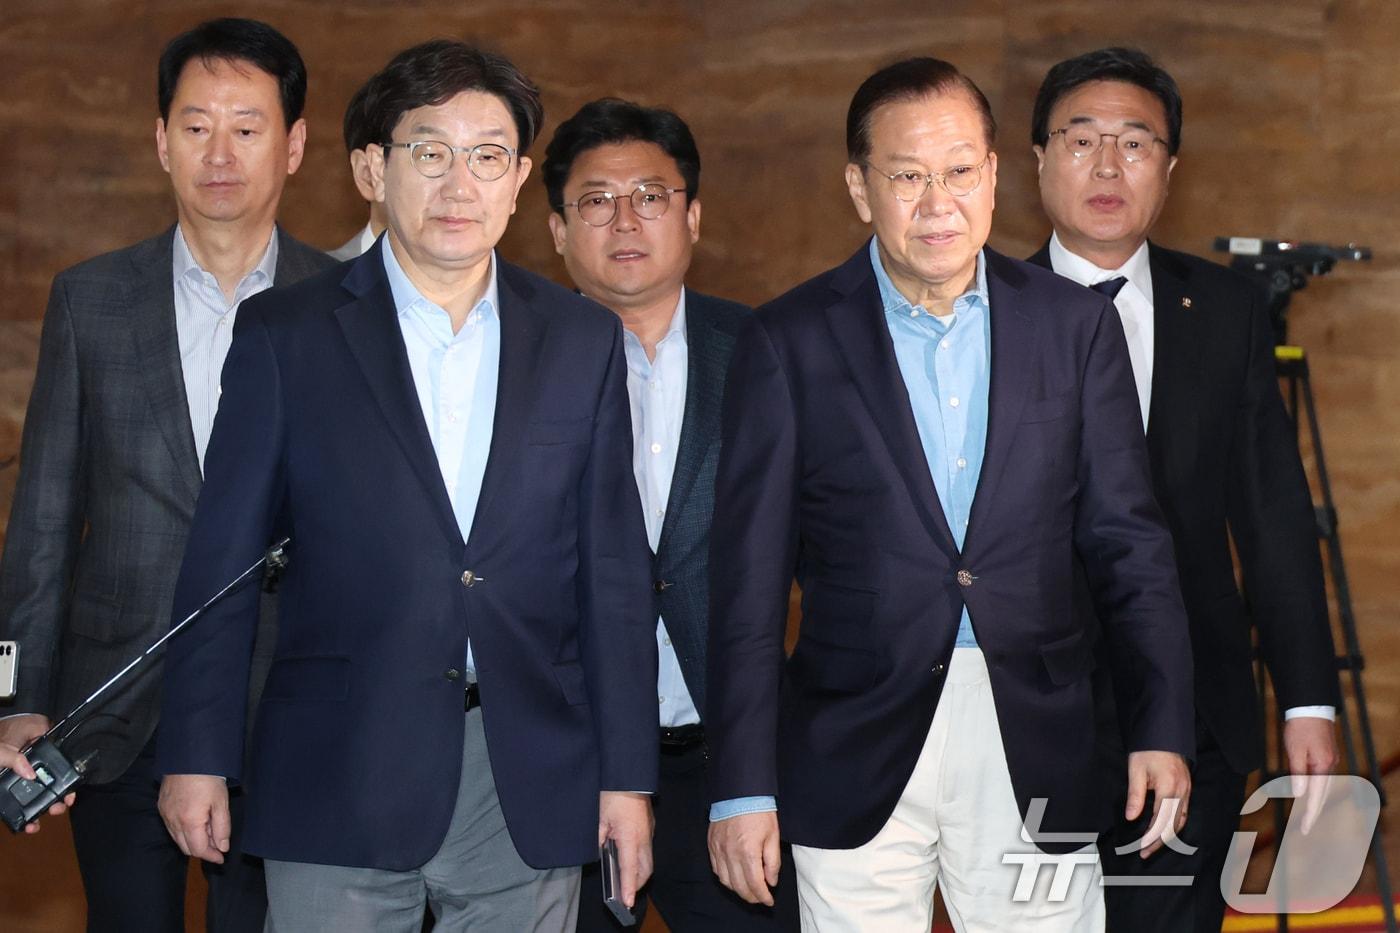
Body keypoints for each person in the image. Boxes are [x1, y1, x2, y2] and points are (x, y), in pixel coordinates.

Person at [154, 40, 658, 932]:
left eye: (488, 156)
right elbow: (221, 561)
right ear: (370, 170)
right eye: (429, 152)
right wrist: (196, 753)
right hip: (339, 763)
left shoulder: (580, 341)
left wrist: (627, 778)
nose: (459, 183)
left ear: (519, 180)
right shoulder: (287, 334)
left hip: (523, 770)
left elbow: (613, 578)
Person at [705, 57, 1196, 932]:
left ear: (995, 175)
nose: (938, 203)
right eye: (907, 177)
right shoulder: (789, 341)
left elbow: (1131, 544)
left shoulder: (1074, 327)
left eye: (960, 171)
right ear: (859, 188)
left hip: (1035, 728)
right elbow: (747, 586)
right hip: (852, 736)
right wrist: (741, 784)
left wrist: (1161, 724)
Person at [0, 18, 329, 932]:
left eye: (247, 127)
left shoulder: (342, 307)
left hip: (283, 710)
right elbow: (43, 519)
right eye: (196, 126)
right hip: (115, 707)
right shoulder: (92, 299)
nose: (219, 153)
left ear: (294, 145)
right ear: (160, 141)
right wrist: (15, 701)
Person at [1028, 46, 1339, 932]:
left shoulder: (1227, 311)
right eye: (1081, 139)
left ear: (1169, 169)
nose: (1107, 166)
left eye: (1135, 143)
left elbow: (1272, 513)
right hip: (1030, 717)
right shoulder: (984, 309)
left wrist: (1307, 698)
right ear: (1038, 159)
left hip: (1198, 710)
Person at [543, 97, 798, 932]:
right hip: (565, 762)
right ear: (556, 230)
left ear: (691, 216)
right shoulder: (515, 366)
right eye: (596, 200)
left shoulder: (765, 352)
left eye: (650, 196)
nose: (625, 220)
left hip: (728, 762)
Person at [329, 75, 388, 260]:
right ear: (367, 174)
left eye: (481, 156)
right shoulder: (311, 277)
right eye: (430, 155)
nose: (460, 189)